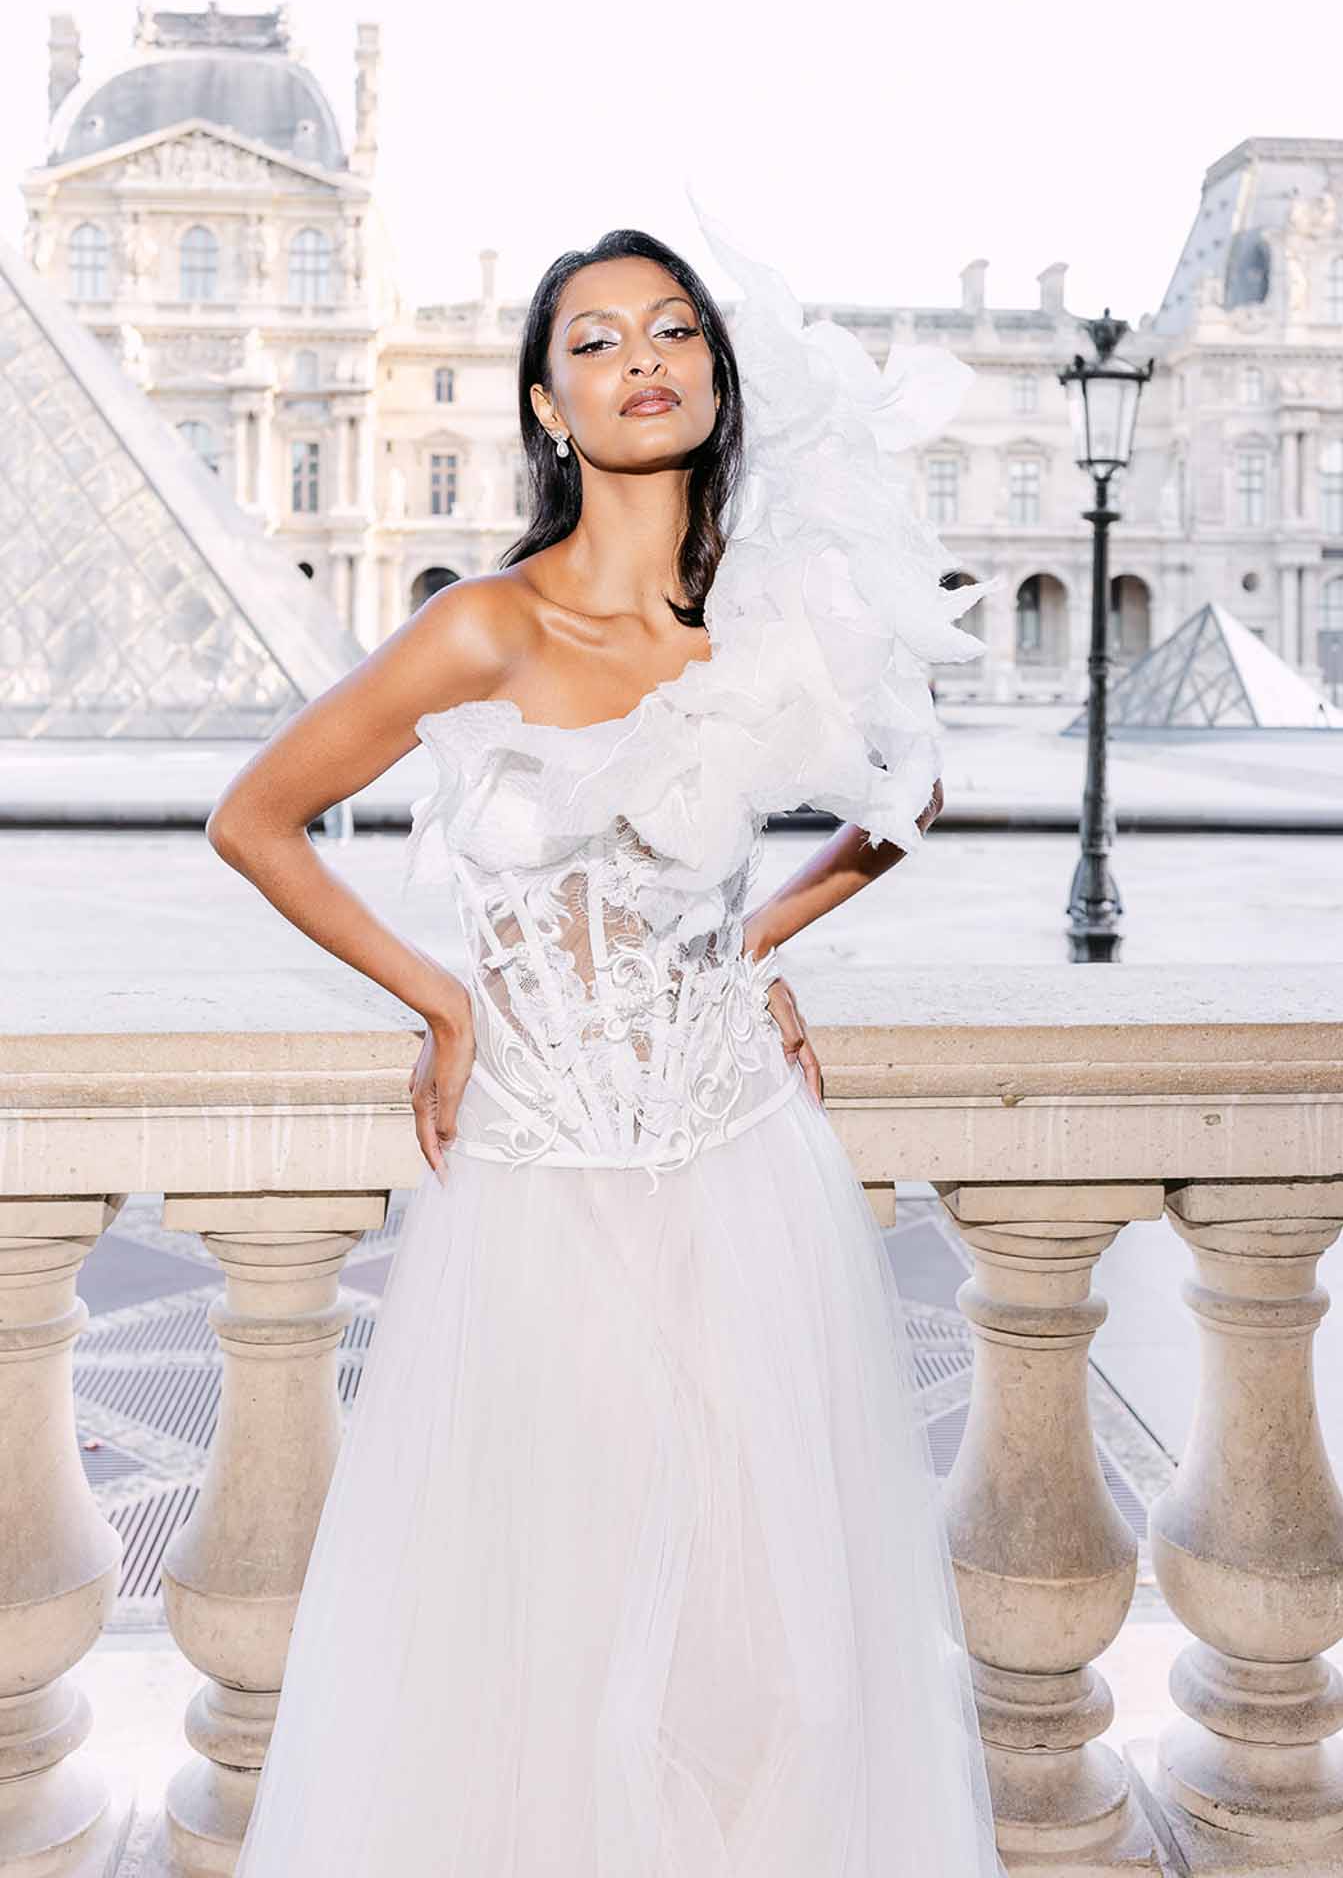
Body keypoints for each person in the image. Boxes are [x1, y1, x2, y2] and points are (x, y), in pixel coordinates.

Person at [209, 196, 1005, 1876]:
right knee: (548, 1621)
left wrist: (757, 936)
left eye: (673, 332)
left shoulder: (765, 634)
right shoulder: (485, 628)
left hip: (740, 1171)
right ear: (545, 410)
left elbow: (910, 790)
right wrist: (440, 997)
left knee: (772, 1648)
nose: (642, 360)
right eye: (594, 342)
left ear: (715, 376)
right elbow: (258, 818)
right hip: (539, 1190)